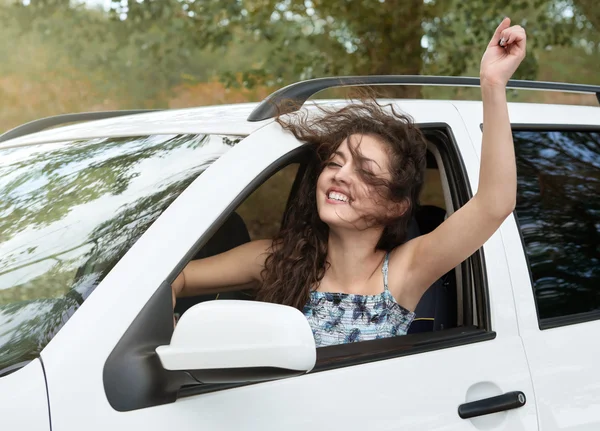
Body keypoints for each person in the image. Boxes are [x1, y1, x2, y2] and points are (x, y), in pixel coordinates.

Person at [172, 18, 526, 347]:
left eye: (365, 171)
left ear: (396, 205)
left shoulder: (403, 271)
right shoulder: (278, 258)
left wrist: (493, 86)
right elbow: (176, 279)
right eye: (334, 163)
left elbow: (494, 204)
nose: (339, 174)